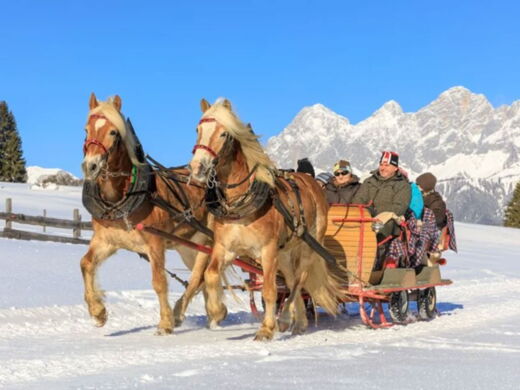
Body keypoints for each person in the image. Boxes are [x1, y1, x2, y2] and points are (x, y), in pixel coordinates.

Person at [352, 151, 411, 238]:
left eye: (387, 165)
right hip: (365, 216)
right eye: (381, 164)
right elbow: (358, 200)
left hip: (387, 220)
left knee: (377, 229)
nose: (382, 168)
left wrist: (377, 213)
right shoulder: (369, 181)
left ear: (395, 168)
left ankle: (378, 249)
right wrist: (367, 212)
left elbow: (399, 207)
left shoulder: (402, 185)